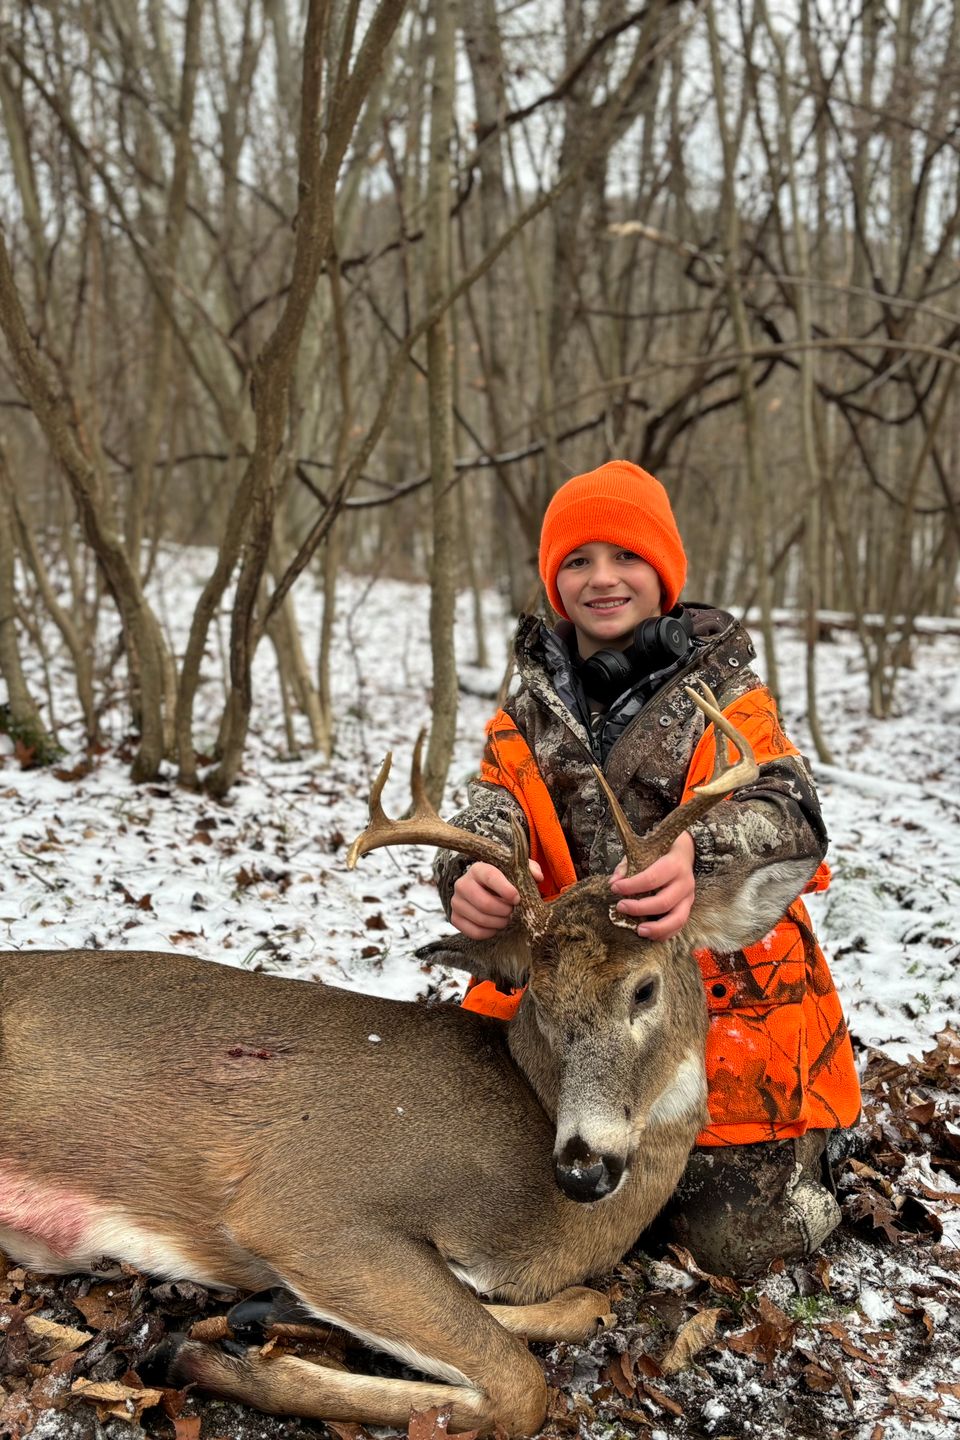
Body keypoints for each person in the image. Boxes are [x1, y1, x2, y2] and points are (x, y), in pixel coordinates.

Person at [433, 459, 860, 1277]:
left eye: (626, 556)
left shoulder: (724, 694)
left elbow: (788, 808)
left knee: (728, 1242)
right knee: (498, 1180)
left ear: (663, 571)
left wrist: (701, 858)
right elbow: (496, 804)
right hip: (576, 998)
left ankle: (814, 1167)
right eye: (577, 561)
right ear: (554, 582)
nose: (602, 578)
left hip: (723, 1005)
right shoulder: (529, 708)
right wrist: (469, 870)